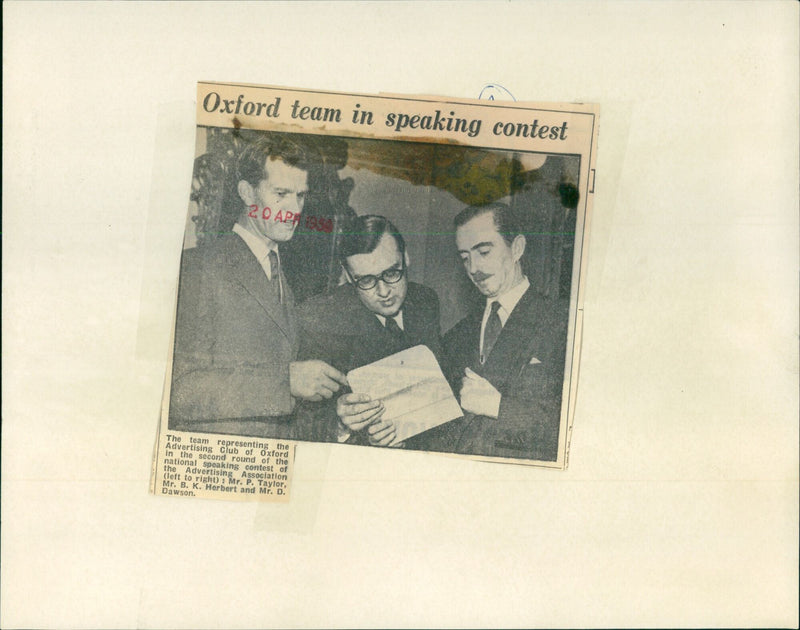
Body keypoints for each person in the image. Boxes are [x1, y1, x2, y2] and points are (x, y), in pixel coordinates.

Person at [168, 132, 347, 438]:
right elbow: (178, 391)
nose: (295, 210)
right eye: (281, 193)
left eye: (300, 195)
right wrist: (285, 383)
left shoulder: (281, 272)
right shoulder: (200, 266)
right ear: (247, 193)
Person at [294, 214, 442, 447]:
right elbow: (300, 424)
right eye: (366, 281)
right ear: (348, 275)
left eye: (392, 273)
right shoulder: (321, 318)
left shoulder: (425, 302)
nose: (383, 291)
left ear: (406, 257)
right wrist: (342, 426)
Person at [441, 202, 569, 461]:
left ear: (517, 248)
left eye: (484, 252)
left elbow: (576, 429)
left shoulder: (562, 322)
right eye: (465, 258)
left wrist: (498, 407)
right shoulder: (456, 336)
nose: (473, 268)